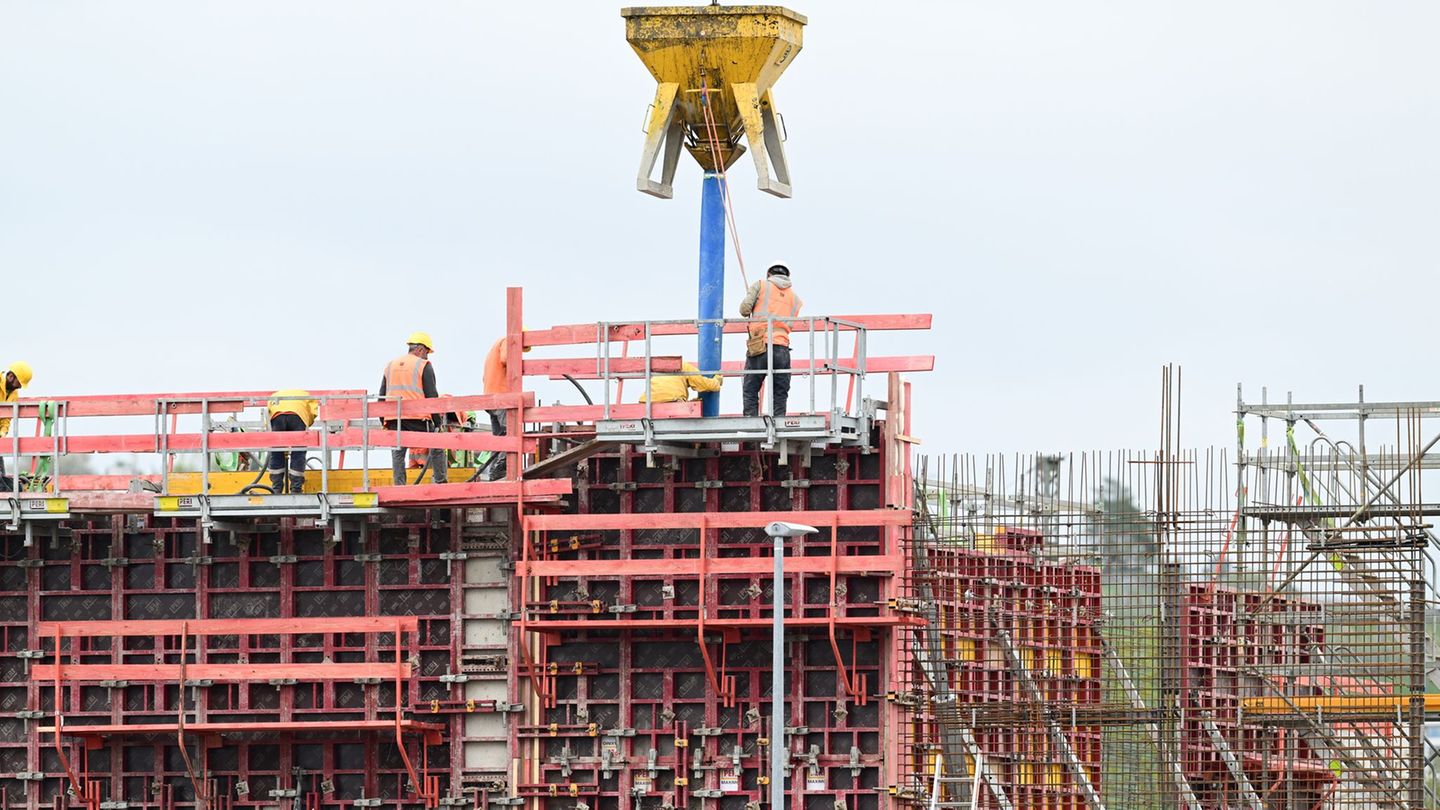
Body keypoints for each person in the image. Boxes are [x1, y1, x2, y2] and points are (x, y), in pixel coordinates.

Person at [380, 332, 447, 486]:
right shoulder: (423, 365)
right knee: (437, 443)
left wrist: (384, 420)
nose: (427, 357)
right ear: (420, 350)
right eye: (427, 352)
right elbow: (432, 396)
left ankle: (399, 485)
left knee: (397, 451)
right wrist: (437, 423)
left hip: (394, 418)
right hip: (418, 418)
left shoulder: (390, 365)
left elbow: (381, 396)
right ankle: (441, 481)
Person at [739, 262, 802, 417]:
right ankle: (779, 423)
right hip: (782, 347)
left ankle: (750, 424)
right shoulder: (795, 298)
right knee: (780, 390)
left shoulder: (761, 285)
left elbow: (744, 310)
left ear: (769, 275)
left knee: (751, 388)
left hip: (760, 345)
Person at [481, 331, 530, 480]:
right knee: (511, 433)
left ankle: (493, 474)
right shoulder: (508, 341)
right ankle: (499, 469)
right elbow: (506, 359)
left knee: (499, 437)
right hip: (502, 397)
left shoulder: (494, 347)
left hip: (491, 397)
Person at [264, 389, 318, 494]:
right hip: (298, 415)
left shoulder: (275, 395)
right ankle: (296, 488)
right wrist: (305, 426)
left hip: (277, 415)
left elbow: (268, 416)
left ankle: (276, 487)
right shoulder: (307, 396)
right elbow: (312, 414)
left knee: (276, 452)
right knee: (298, 451)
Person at [0, 362, 32, 491]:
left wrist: (3, 432)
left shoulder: (13, 395)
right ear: (11, 376)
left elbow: (6, 417)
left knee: (1, 473)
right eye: (19, 383)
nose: (19, 387)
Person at [640, 361, 722, 404]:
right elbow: (705, 385)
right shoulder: (685, 366)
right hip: (672, 401)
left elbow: (664, 392)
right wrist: (717, 380)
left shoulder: (661, 370)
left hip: (646, 403)